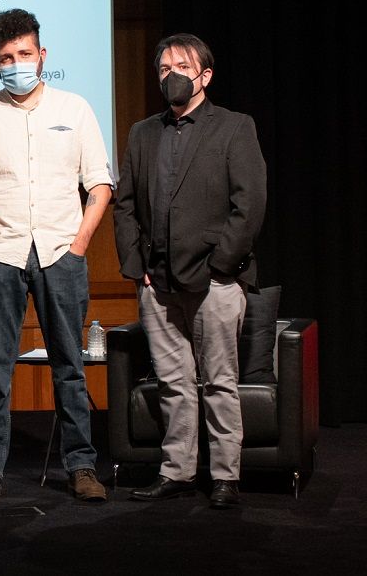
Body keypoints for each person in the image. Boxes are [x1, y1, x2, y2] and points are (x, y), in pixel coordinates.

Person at [0, 8, 113, 504]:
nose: (15, 64)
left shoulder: (75, 108)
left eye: (23, 54)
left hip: (61, 252)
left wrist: (77, 246)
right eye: (4, 59)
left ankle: (82, 466)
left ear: (42, 54)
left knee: (70, 367)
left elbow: (99, 185)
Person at [114, 34, 267, 510]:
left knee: (220, 380)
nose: (172, 74)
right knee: (173, 383)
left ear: (205, 75)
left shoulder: (235, 127)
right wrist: (136, 265)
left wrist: (222, 266)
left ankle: (225, 476)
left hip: (215, 281)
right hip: (157, 284)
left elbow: (250, 203)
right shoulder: (144, 132)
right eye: (163, 68)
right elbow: (125, 206)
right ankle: (176, 471)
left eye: (182, 65)